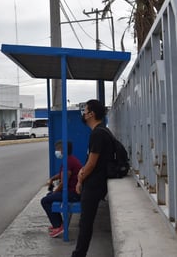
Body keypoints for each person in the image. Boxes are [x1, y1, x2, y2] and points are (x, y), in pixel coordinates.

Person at [71, 99, 113, 257]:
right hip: (97, 183)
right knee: (85, 222)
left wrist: (80, 179)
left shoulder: (97, 134)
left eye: (85, 110)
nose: (83, 113)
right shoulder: (102, 131)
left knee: (85, 223)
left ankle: (78, 254)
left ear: (91, 114)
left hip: (94, 185)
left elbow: (91, 163)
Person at [41, 140, 82, 238]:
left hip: (73, 194)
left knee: (45, 201)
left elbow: (64, 182)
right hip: (74, 192)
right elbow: (61, 175)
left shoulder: (68, 162)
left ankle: (58, 226)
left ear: (63, 150)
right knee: (49, 197)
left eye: (57, 150)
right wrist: (52, 179)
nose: (56, 152)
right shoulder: (69, 159)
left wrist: (55, 191)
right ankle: (59, 223)